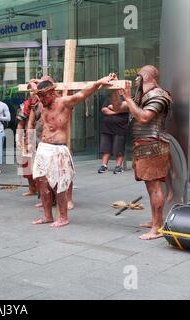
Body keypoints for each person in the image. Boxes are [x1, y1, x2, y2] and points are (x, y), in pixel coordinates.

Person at [30, 75, 114, 228]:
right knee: (42, 183)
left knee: (60, 185)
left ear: (51, 93)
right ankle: (48, 216)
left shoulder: (64, 102)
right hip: (43, 147)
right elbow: (36, 87)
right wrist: (35, 83)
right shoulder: (43, 102)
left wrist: (99, 82)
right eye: (39, 96)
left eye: (43, 96)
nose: (40, 100)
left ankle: (63, 217)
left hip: (58, 149)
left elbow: (83, 94)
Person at [110, 66, 173, 240]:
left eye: (138, 77)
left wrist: (129, 98)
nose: (136, 81)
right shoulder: (141, 97)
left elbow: (144, 117)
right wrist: (115, 89)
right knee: (150, 187)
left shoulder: (159, 95)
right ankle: (155, 221)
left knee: (154, 188)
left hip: (154, 145)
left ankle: (157, 227)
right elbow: (117, 107)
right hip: (144, 146)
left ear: (145, 77)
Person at [16, 88, 38, 197]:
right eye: (31, 91)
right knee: (27, 164)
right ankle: (32, 188)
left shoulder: (45, 104)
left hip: (42, 137)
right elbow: (20, 124)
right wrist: (19, 138)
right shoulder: (24, 106)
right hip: (28, 138)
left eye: (35, 90)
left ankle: (43, 190)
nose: (33, 93)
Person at [98, 102, 129, 174]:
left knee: (119, 149)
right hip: (106, 128)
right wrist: (117, 111)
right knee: (106, 148)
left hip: (120, 128)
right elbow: (104, 110)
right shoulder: (108, 98)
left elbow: (124, 108)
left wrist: (113, 108)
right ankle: (104, 166)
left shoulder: (126, 99)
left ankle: (118, 167)